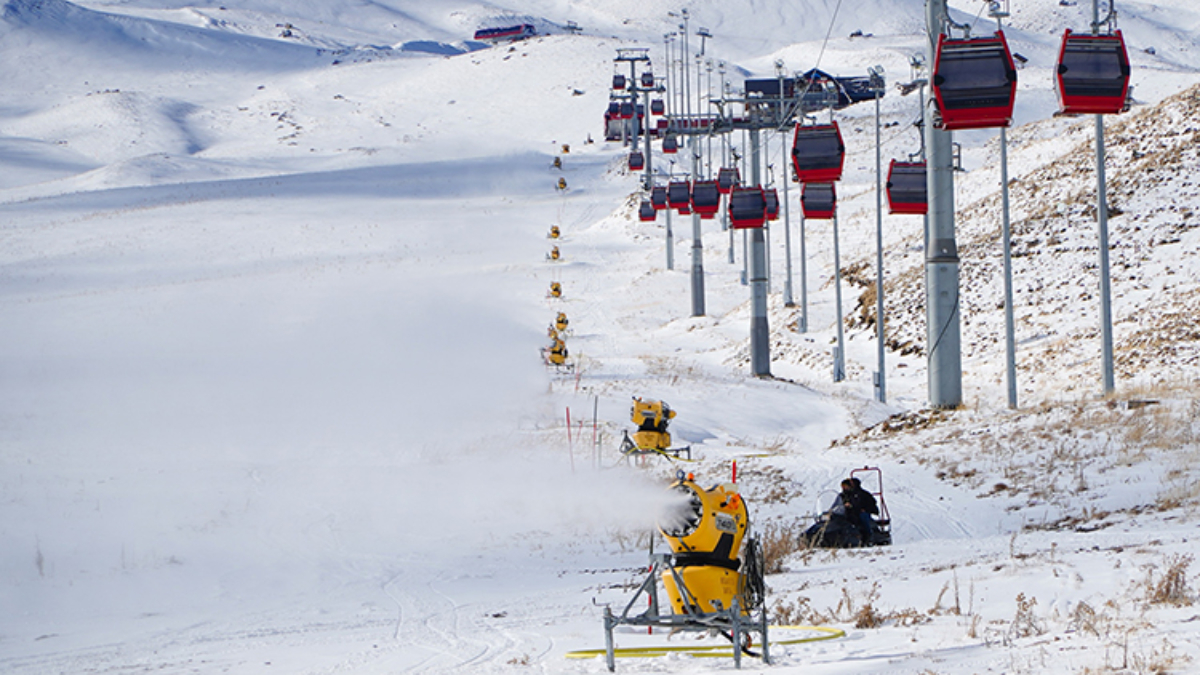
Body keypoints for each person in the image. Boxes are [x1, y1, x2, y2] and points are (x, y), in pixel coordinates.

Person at [839, 478, 879, 544]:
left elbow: (870, 503)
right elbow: (838, 503)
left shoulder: (863, 494)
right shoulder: (843, 495)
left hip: (860, 512)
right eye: (843, 486)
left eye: (846, 485)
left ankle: (867, 535)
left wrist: (864, 509)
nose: (844, 487)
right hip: (848, 512)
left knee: (863, 517)